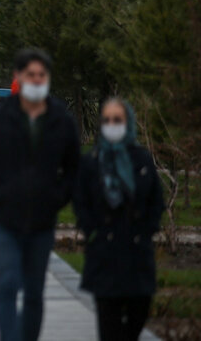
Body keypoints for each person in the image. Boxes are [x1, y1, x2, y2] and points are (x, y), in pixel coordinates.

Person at [0, 49, 80, 341]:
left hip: (42, 222)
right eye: (30, 75)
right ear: (18, 76)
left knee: (33, 291)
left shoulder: (60, 120)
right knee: (7, 284)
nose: (36, 80)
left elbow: (74, 167)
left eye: (41, 75)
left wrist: (57, 198)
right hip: (3, 220)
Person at [73, 98, 163, 341]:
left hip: (137, 252)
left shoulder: (141, 159)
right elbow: (81, 201)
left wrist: (147, 230)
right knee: (108, 322)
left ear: (127, 123)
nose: (112, 125)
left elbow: (156, 200)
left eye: (118, 120)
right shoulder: (91, 162)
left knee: (139, 312)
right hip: (105, 253)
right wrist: (91, 229)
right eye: (107, 120)